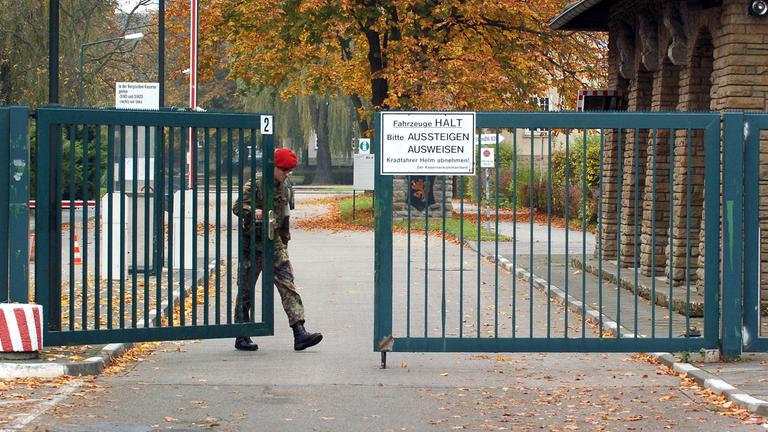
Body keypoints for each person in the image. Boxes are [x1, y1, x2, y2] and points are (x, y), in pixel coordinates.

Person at [232, 148, 322, 352]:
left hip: (274, 242)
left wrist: (284, 243)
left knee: (287, 285)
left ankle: (300, 333)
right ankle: (241, 334)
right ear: (273, 167)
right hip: (252, 243)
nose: (287, 174)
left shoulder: (285, 188)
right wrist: (253, 211)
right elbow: (237, 207)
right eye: (283, 170)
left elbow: (285, 216)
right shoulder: (255, 185)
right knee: (246, 289)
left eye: (289, 170)